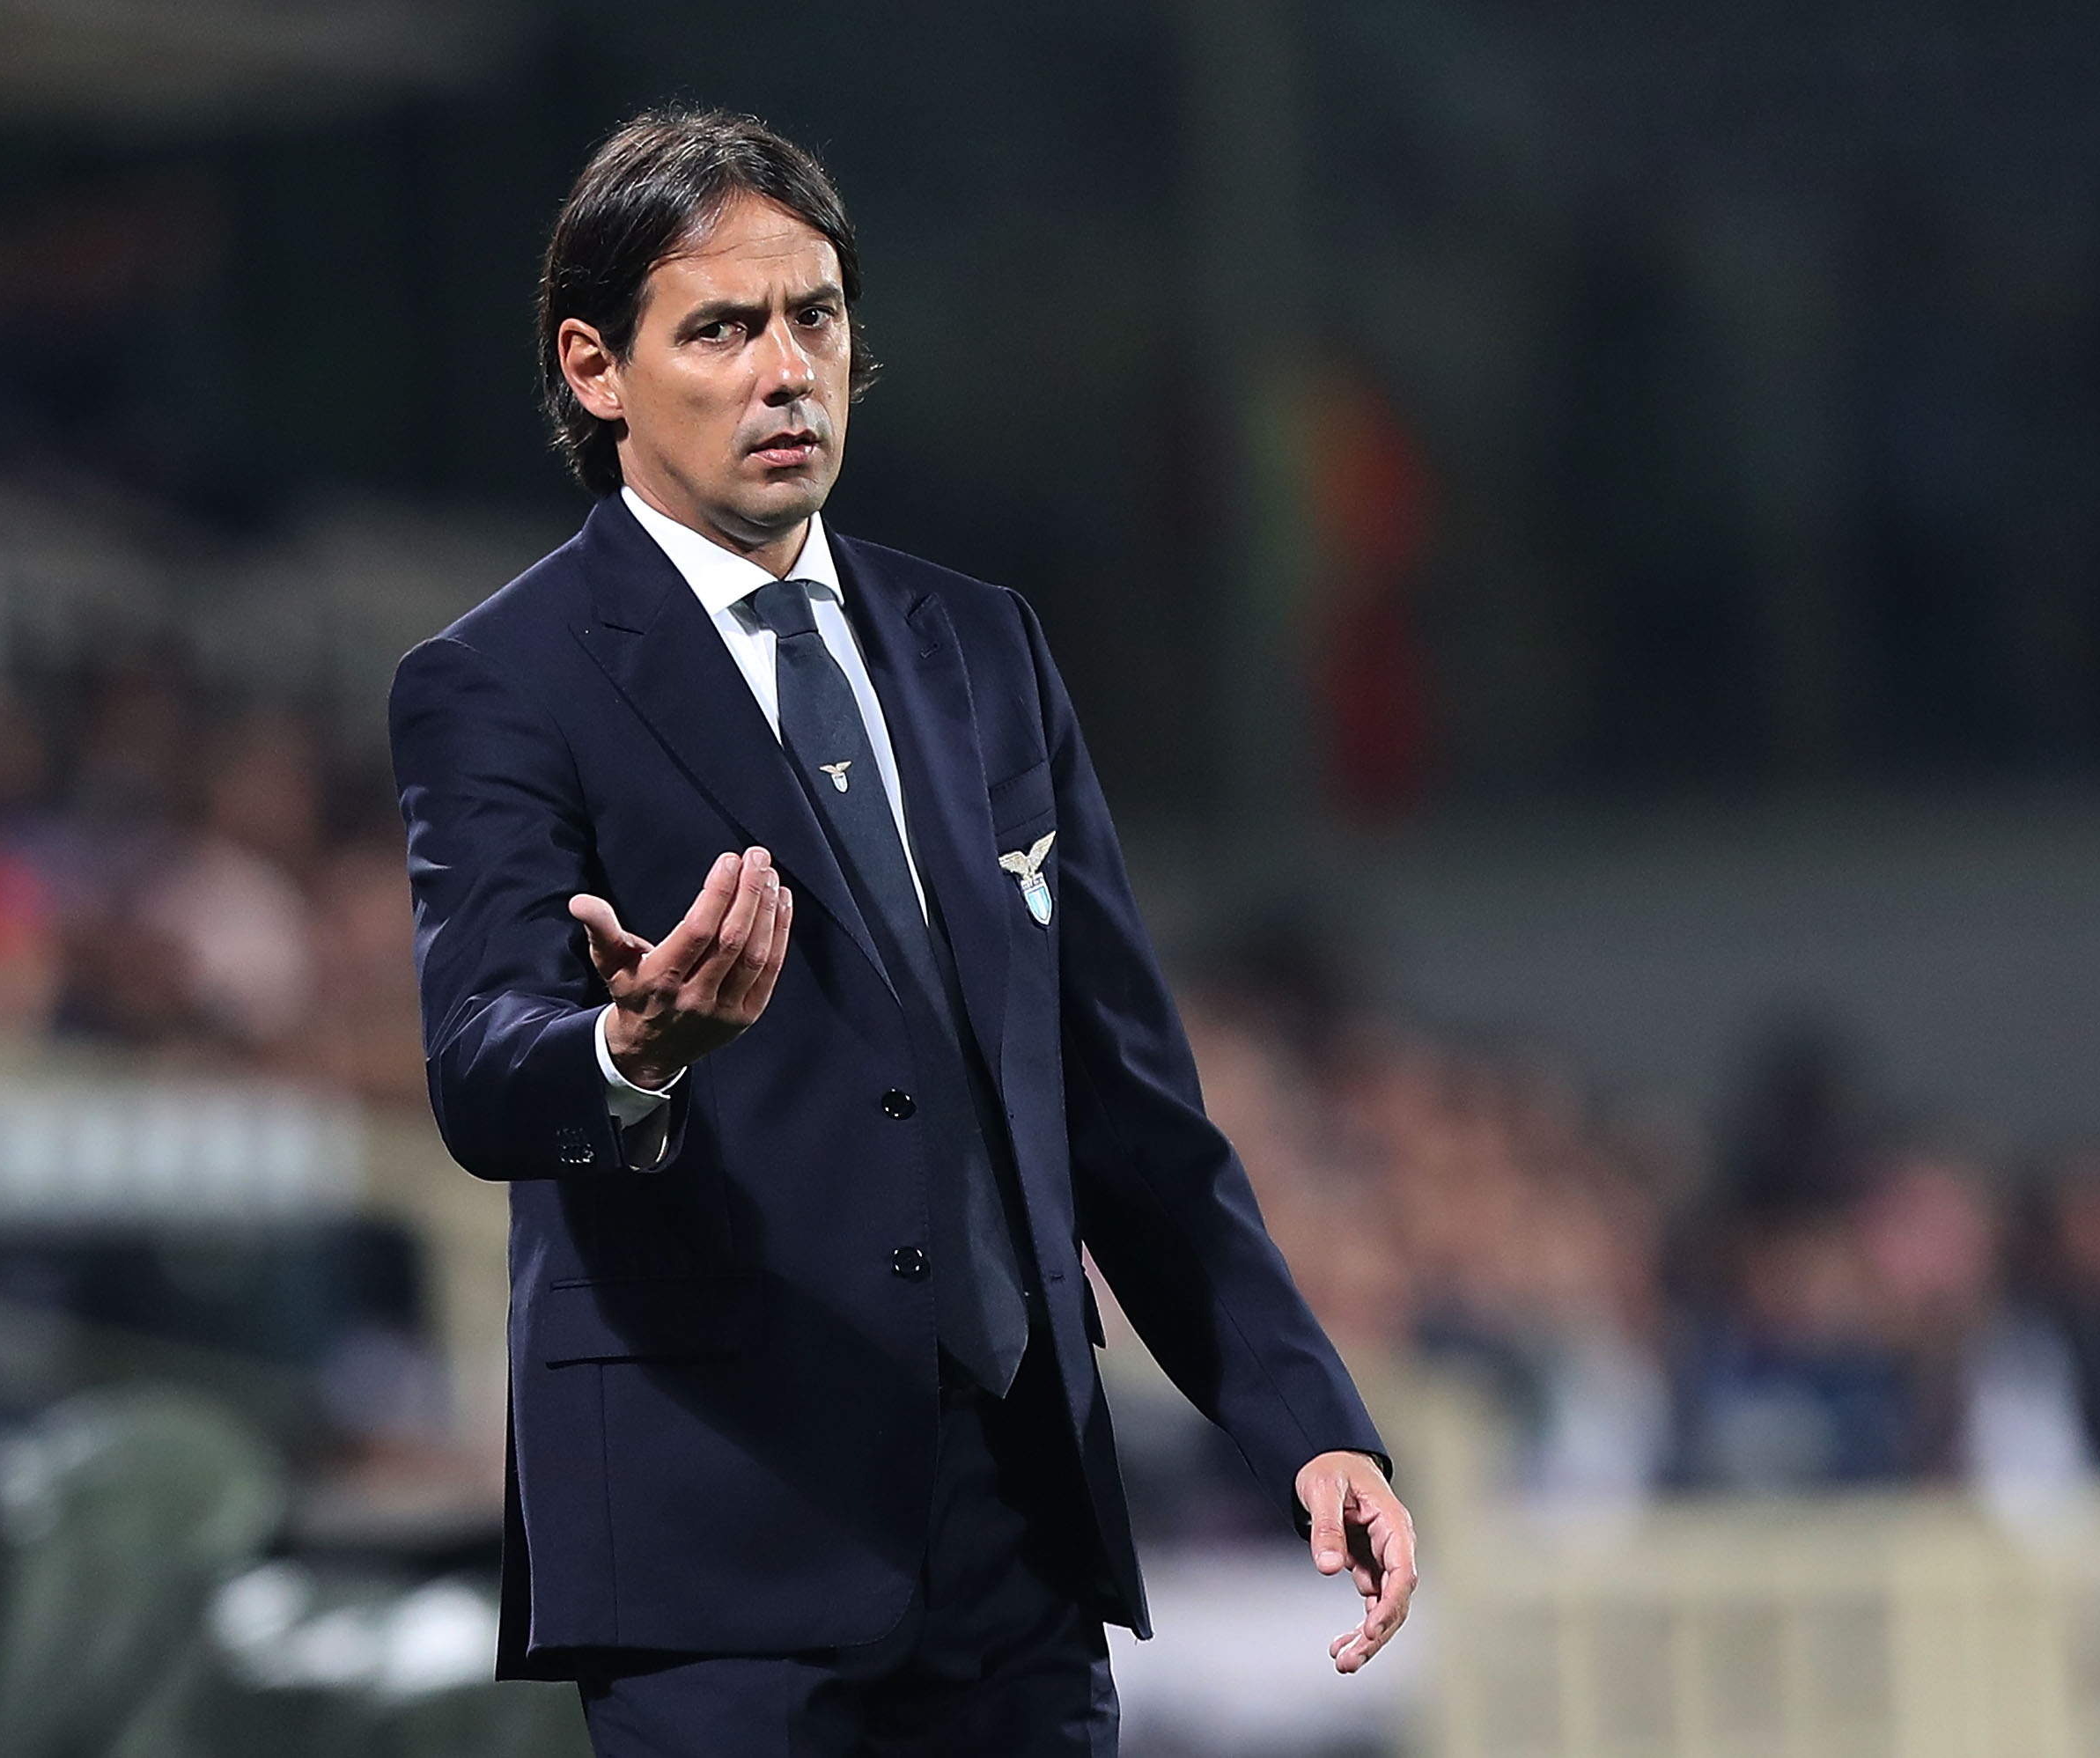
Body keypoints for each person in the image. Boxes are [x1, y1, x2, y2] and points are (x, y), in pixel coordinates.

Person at [389, 108, 1414, 1757]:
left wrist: (1304, 1418)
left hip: (1016, 1524)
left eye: (817, 316)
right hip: (720, 1545)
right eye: (722, 328)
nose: (788, 369)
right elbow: (481, 1066)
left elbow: (1124, 1100)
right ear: (596, 366)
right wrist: (629, 1050)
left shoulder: (981, 646)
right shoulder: (501, 681)